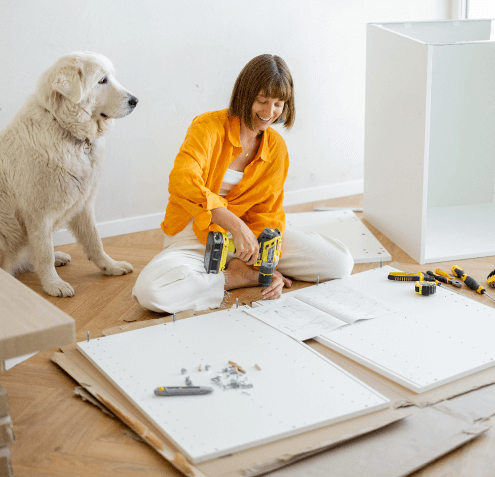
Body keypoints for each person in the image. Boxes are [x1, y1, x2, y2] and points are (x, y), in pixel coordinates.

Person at [132, 54, 354, 313]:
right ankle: (232, 279)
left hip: (250, 240)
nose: (269, 113)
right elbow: (183, 180)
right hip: (197, 232)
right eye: (262, 101)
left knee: (340, 262)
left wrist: (263, 265)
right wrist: (233, 224)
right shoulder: (207, 127)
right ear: (245, 94)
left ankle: (240, 269)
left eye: (278, 104)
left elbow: (268, 214)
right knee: (150, 291)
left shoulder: (276, 148)